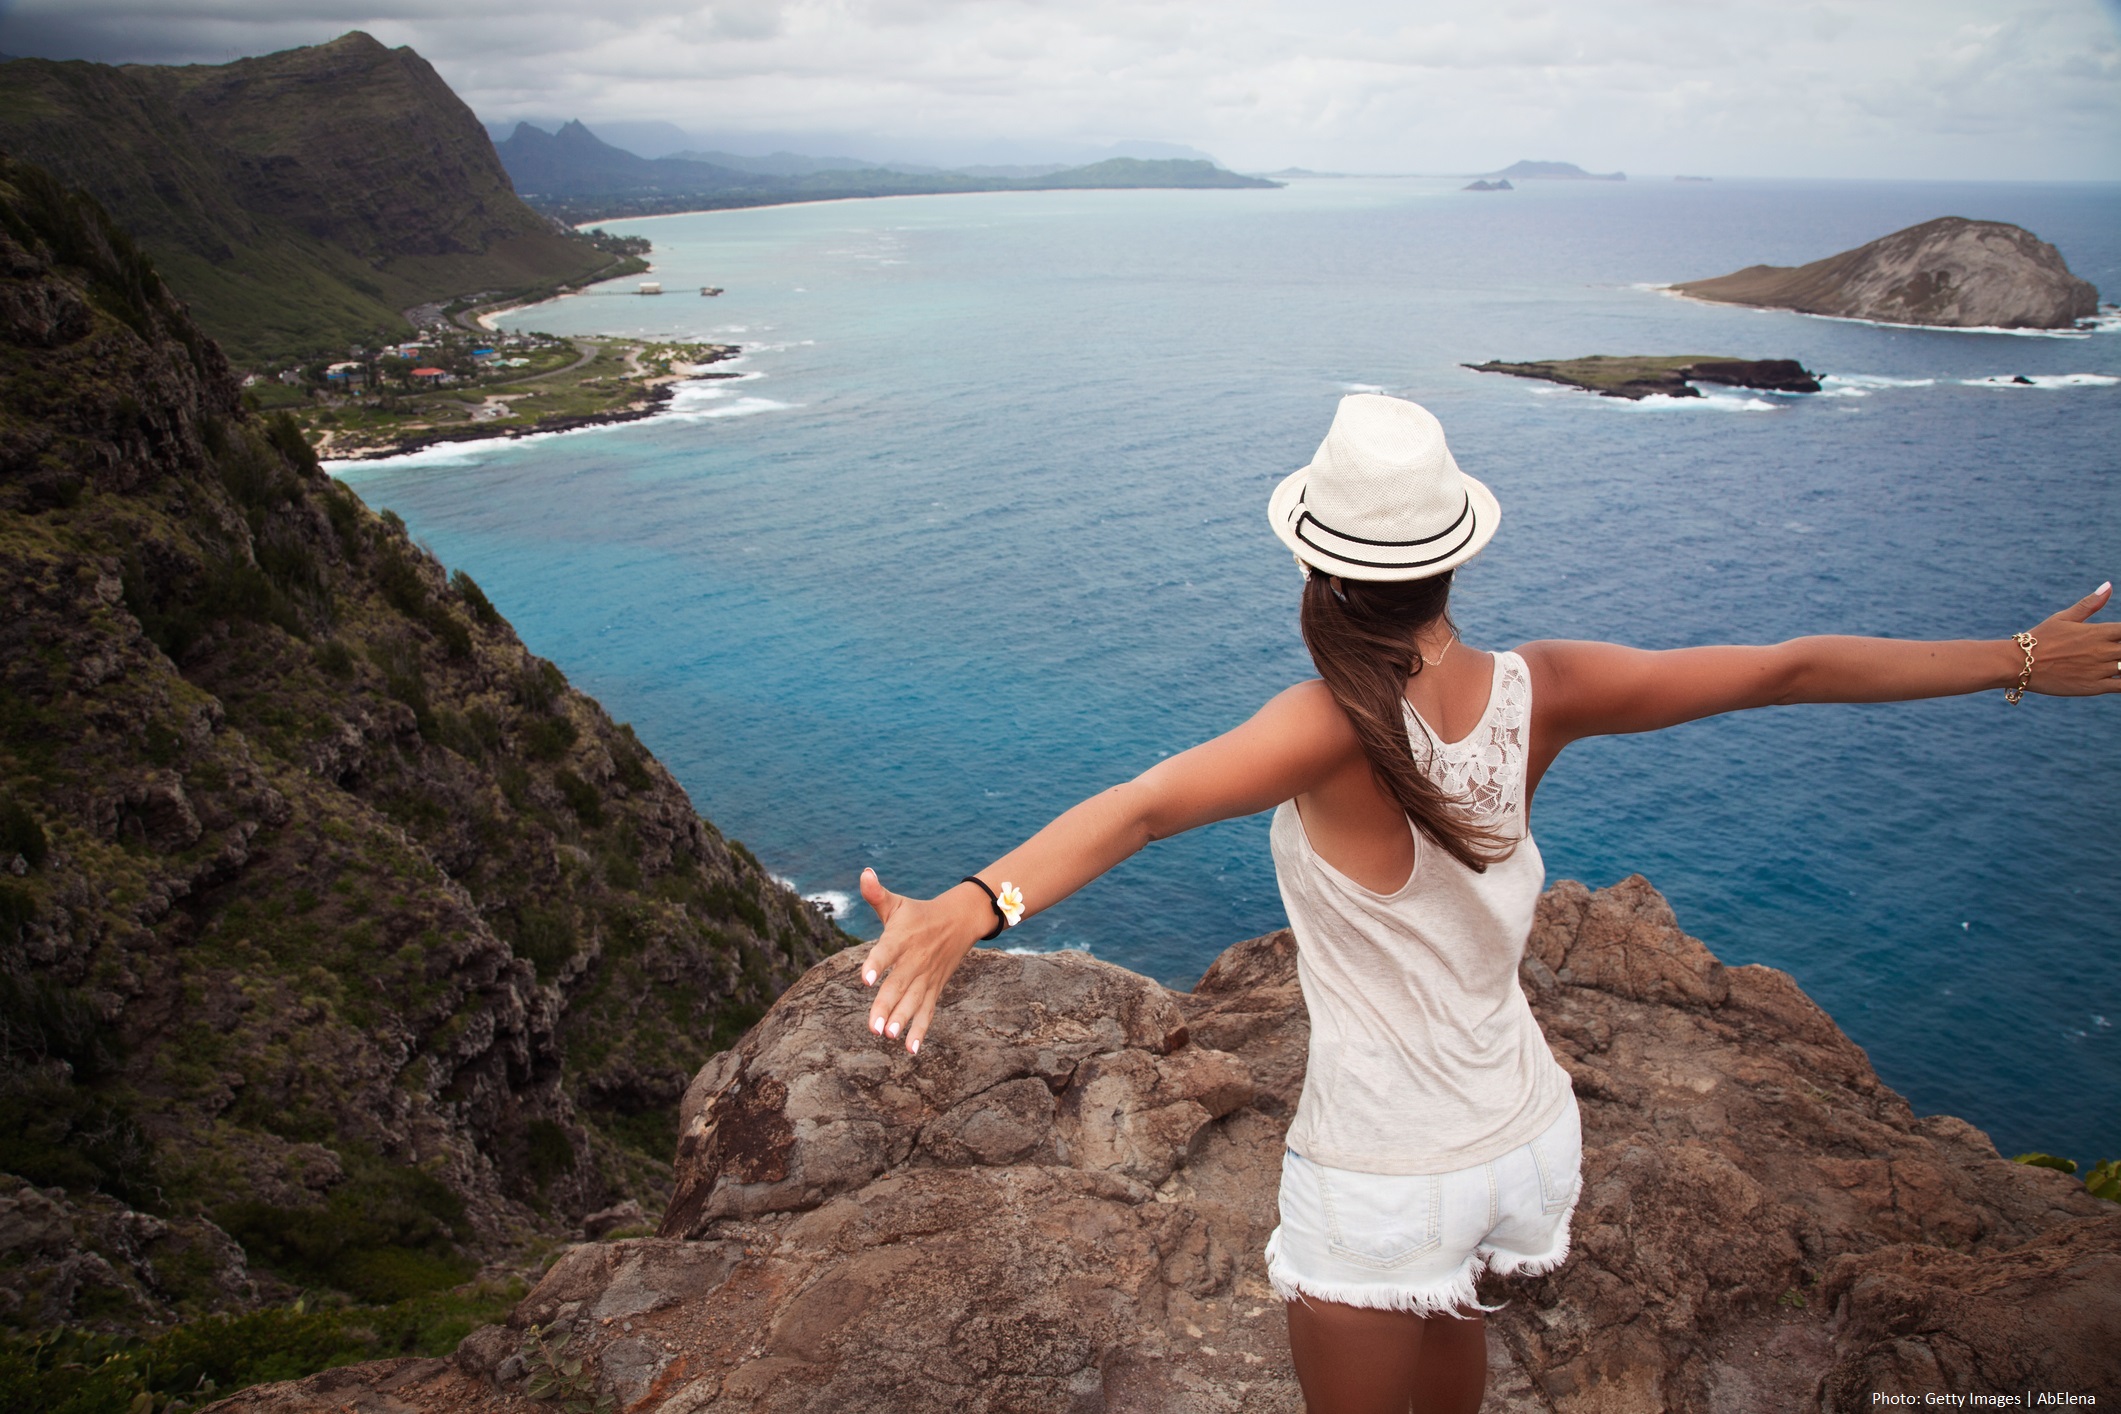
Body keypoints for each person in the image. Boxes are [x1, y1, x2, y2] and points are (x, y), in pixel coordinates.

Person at [853, 394, 2120, 1414]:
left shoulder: (1322, 724)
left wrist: (976, 902)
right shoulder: (1545, 689)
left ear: (1316, 567)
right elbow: (1786, 667)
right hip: (1523, 1134)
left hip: (1382, 1168)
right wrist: (2017, 658)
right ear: (1456, 549)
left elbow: (1140, 807)